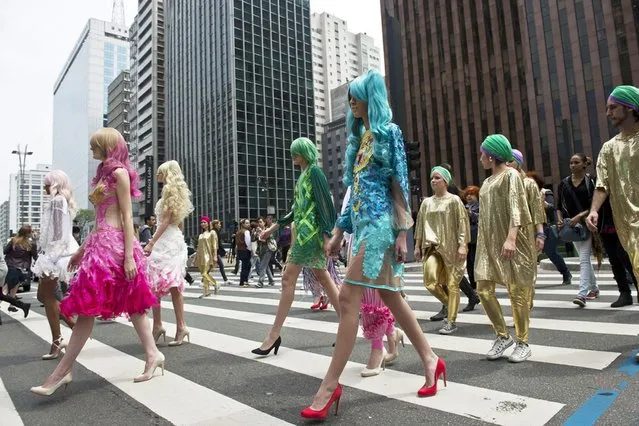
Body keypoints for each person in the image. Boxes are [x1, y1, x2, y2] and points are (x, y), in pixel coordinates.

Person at [303, 71, 443, 420]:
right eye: (350, 96)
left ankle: (330, 385)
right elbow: (355, 196)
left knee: (349, 297)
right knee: (392, 297)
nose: (352, 101)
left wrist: (401, 233)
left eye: (357, 95)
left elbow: (399, 182)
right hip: (362, 229)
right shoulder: (361, 140)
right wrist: (338, 233)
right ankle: (431, 358)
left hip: (381, 228)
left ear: (371, 97)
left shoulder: (388, 133)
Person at [31, 128, 162, 396]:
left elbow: (127, 217)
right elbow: (100, 218)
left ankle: (63, 371)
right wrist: (83, 249)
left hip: (115, 247)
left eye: (96, 146)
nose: (92, 150)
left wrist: (128, 256)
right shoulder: (104, 174)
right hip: (100, 245)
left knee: (116, 305)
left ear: (107, 146)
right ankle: (152, 354)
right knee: (101, 307)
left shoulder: (119, 174)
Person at [254, 137, 340, 356]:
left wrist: (327, 235)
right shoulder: (303, 175)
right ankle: (348, 324)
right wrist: (272, 229)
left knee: (288, 278)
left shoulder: (314, 173)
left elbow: (326, 206)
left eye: (296, 152)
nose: (293, 155)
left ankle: (273, 335)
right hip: (303, 234)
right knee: (324, 278)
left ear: (306, 152)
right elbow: (295, 212)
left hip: (309, 236)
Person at [475, 134, 536, 363]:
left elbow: (517, 207)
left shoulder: (511, 175)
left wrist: (511, 238)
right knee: (483, 289)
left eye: (482, 154)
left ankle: (523, 342)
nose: (480, 158)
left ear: (491, 156)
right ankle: (503, 336)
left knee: (517, 292)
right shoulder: (487, 182)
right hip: (487, 244)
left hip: (511, 242)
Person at [587, 85, 639, 310]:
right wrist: (594, 210)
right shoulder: (609, 148)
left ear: (629, 108)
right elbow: (602, 185)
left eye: (613, 108)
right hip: (626, 227)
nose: (608, 113)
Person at [415, 166, 470, 335]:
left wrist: (463, 245)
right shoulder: (426, 202)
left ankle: (451, 321)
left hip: (452, 247)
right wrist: (417, 246)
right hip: (432, 247)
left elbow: (463, 223)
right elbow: (420, 225)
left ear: (445, 181)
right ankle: (449, 304)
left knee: (453, 284)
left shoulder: (454, 200)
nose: (433, 180)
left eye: (437, 178)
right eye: (432, 178)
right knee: (430, 281)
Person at [32, 170, 80, 360]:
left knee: (48, 297)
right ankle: (72, 330)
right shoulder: (61, 200)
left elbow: (58, 232)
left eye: (47, 184)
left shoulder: (57, 200)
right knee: (43, 295)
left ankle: (60, 338)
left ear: (55, 185)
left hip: (56, 252)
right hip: (56, 251)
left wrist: (52, 257)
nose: (44, 187)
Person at [145, 160, 193, 346]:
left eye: (160, 173)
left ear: (167, 174)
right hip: (175, 239)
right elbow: (179, 224)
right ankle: (179, 326)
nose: (158, 177)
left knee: (156, 283)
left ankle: (159, 325)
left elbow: (164, 221)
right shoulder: (179, 194)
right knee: (174, 285)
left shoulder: (167, 192)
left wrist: (151, 242)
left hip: (164, 241)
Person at [556, 154, 600, 307]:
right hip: (571, 227)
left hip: (586, 224)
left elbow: (595, 203)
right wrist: (560, 219)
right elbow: (559, 206)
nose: (573, 165)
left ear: (584, 164)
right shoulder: (563, 183)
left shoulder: (591, 181)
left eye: (576, 162)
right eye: (571, 162)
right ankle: (594, 288)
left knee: (584, 258)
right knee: (584, 257)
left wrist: (580, 216)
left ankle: (582, 294)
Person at [507, 150, 546, 308]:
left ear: (518, 162)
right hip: (509, 231)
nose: (507, 164)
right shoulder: (504, 182)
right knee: (511, 270)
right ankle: (519, 304)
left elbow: (537, 210)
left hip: (527, 230)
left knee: (528, 268)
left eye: (510, 161)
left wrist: (540, 233)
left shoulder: (529, 183)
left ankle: (526, 303)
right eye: (505, 161)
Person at [2, 225, 35, 317]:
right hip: (23, 269)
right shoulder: (30, 244)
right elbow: (35, 256)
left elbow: (5, 251)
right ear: (28, 233)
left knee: (8, 288)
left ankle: (12, 305)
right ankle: (12, 305)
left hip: (11, 267)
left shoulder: (13, 241)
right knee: (9, 289)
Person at [463, 185, 481, 310]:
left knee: (475, 263)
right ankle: (473, 288)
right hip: (466, 239)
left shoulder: (481, 205)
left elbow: (483, 218)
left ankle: (479, 288)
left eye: (472, 194)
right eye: (467, 194)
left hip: (477, 238)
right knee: (469, 265)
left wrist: (471, 214)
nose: (469, 196)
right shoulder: (465, 207)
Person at [195, 216, 219, 297]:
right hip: (200, 256)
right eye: (201, 222)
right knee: (203, 274)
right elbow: (198, 247)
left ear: (208, 223)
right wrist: (195, 258)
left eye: (204, 222)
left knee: (205, 273)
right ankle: (206, 292)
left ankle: (215, 284)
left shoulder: (212, 233)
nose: (203, 224)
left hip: (208, 256)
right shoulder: (201, 235)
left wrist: (215, 255)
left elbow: (215, 245)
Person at [212, 220, 229, 285]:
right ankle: (225, 280)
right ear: (215, 224)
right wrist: (224, 252)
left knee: (212, 266)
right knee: (221, 265)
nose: (220, 225)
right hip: (215, 252)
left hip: (215, 251)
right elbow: (218, 243)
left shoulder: (215, 231)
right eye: (219, 224)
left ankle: (226, 280)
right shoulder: (215, 232)